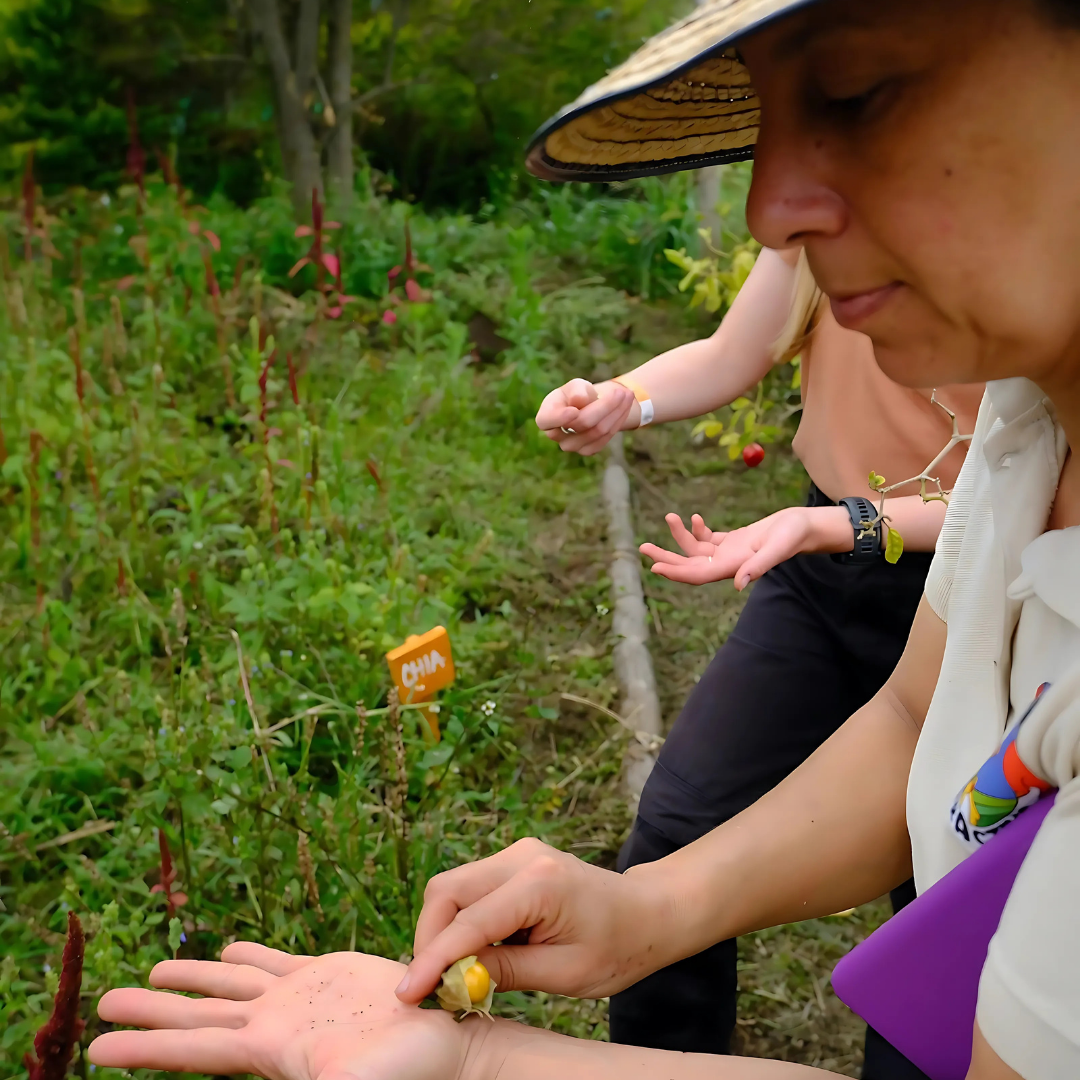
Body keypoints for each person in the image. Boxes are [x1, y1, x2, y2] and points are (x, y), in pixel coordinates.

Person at [88, 1, 1080, 1078]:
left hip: (876, 558)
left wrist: (482, 1065)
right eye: (767, 125)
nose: (767, 209)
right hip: (839, 597)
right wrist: (643, 907)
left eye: (856, 93)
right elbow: (917, 715)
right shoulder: (1031, 433)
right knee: (825, 885)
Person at [535, 244, 983, 1068]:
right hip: (818, 581)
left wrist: (849, 523)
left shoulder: (1020, 248)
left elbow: (1019, 489)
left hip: (969, 594)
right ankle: (669, 1057)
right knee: (677, 824)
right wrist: (622, 400)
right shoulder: (824, 223)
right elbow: (733, 350)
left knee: (943, 897)